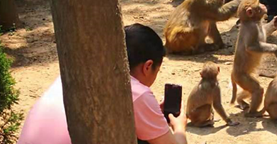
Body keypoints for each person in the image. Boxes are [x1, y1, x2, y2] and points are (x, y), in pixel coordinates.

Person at [17, 24, 187, 144]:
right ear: (148, 66)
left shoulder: (77, 74)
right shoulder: (136, 92)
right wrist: (179, 127)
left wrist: (149, 115)